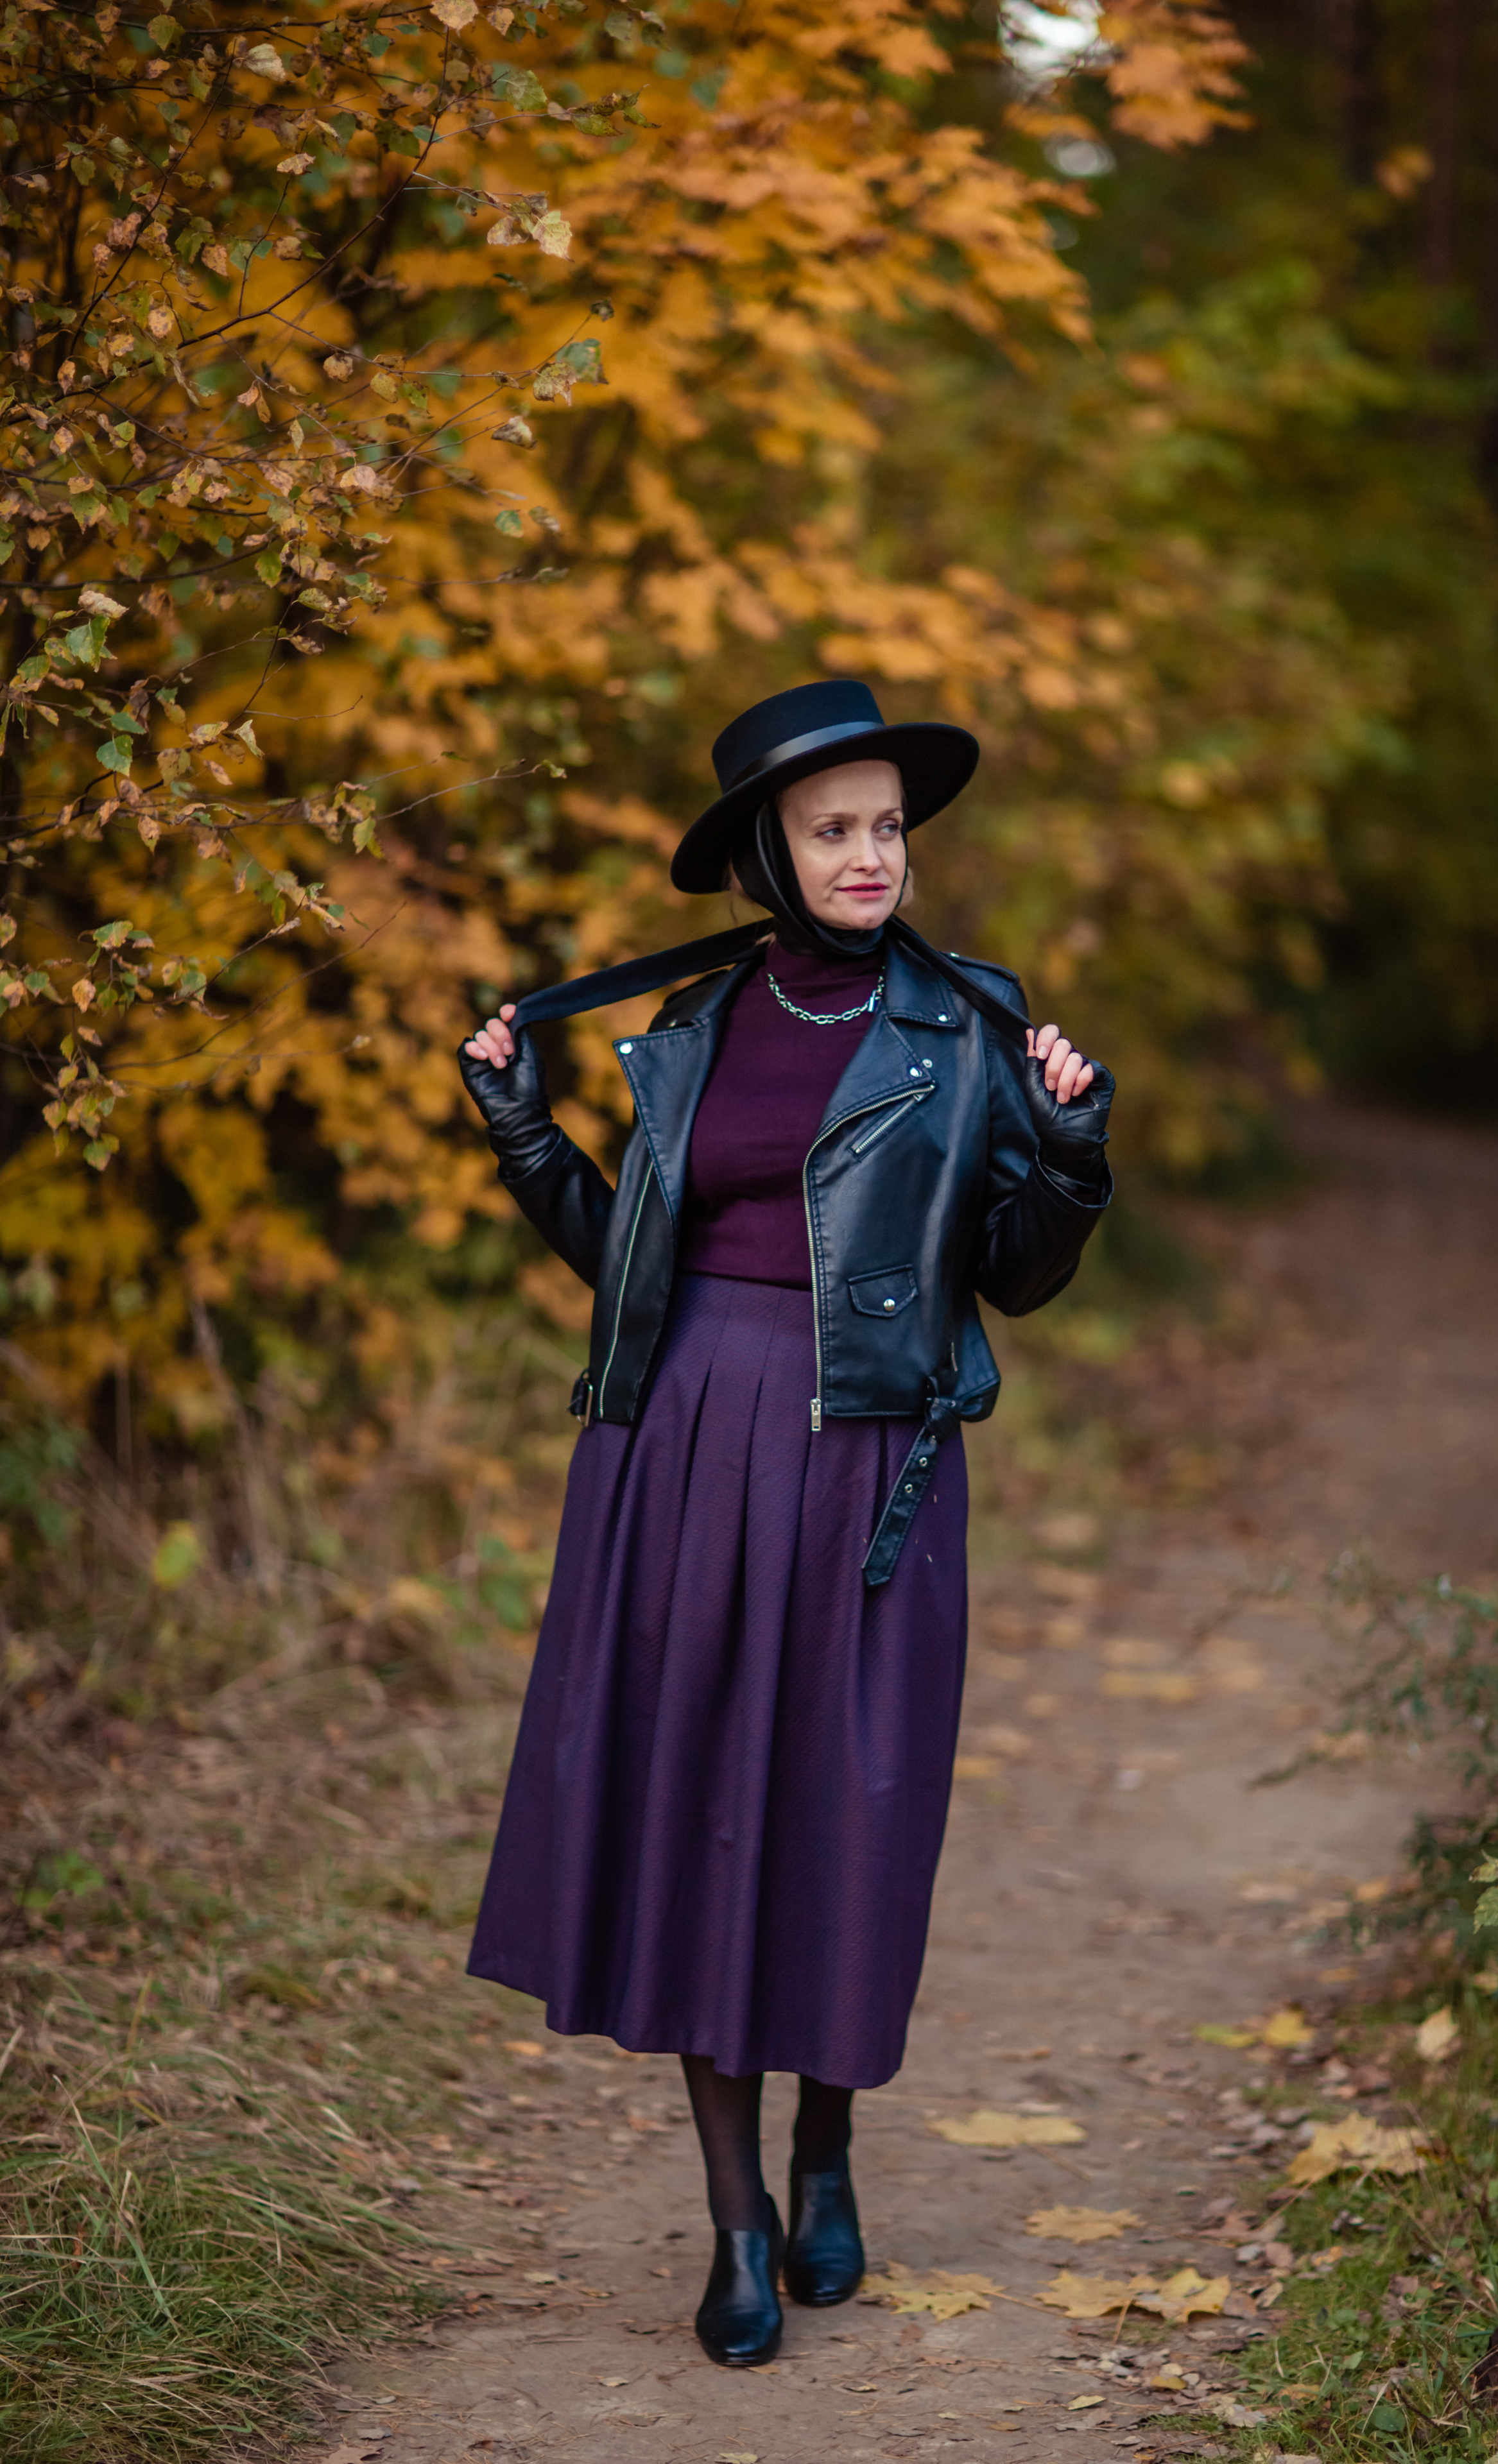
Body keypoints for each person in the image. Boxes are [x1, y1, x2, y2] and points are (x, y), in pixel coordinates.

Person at [458, 679, 1114, 2368]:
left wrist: (1074, 1149)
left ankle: (831, 2150)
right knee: (699, 1812)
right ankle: (738, 2223)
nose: (871, 854)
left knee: (843, 1804)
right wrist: (527, 1132)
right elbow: (633, 1264)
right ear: (768, 850)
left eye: (889, 826)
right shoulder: (684, 1030)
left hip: (868, 1456)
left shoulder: (966, 1025)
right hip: (681, 1441)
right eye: (835, 830)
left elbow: (1019, 1276)